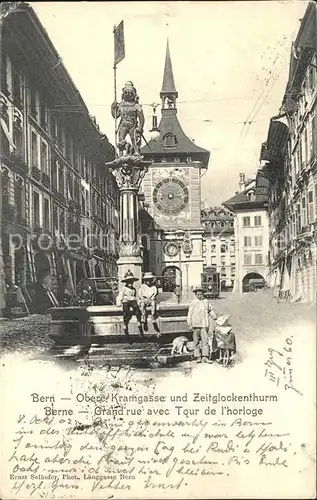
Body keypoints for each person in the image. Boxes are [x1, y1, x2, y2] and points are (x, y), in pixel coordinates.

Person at [187, 286, 217, 363]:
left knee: (205, 341)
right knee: (196, 341)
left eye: (201, 294)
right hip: (196, 324)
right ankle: (197, 356)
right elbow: (190, 314)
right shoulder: (193, 303)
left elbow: (210, 310)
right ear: (195, 295)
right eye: (198, 294)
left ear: (203, 294)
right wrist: (189, 323)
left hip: (204, 324)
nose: (200, 296)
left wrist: (214, 316)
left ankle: (205, 356)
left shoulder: (206, 302)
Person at [116, 271, 143, 336]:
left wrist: (139, 301)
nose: (130, 283)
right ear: (126, 282)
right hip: (126, 301)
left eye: (131, 281)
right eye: (129, 282)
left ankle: (138, 321)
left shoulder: (134, 289)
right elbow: (120, 295)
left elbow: (136, 296)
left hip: (132, 301)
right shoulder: (124, 289)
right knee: (125, 310)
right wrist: (119, 301)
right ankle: (125, 323)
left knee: (136, 308)